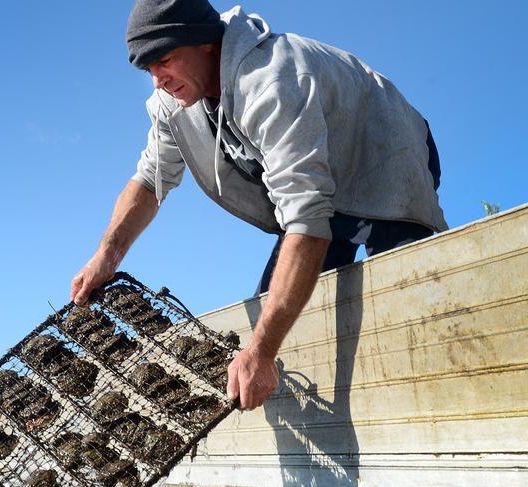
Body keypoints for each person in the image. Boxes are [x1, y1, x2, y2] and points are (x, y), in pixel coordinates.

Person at [70, 0, 447, 411]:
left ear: (205, 42)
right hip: (317, 190)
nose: (158, 79)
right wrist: (107, 253)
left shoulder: (272, 79)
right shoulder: (173, 103)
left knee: (406, 306)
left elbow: (306, 217)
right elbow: (147, 181)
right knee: (273, 322)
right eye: (148, 69)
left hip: (384, 157)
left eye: (165, 60)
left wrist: (263, 350)